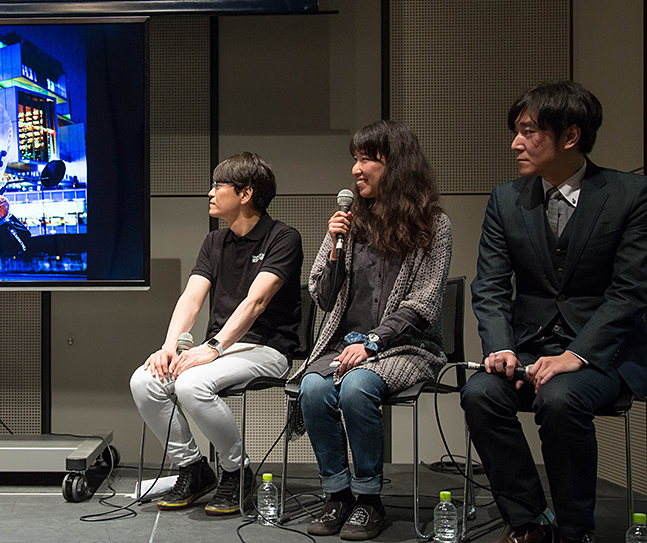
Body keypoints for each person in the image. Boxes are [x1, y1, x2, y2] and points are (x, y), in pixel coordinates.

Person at [461, 81, 647, 543]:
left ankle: (573, 529)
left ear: (570, 136)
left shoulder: (630, 194)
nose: (515, 143)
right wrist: (501, 345)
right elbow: (489, 284)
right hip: (529, 346)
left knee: (560, 399)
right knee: (480, 393)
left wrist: (576, 355)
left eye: (528, 131)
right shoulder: (506, 200)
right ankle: (528, 520)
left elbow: (630, 291)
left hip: (601, 354)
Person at [290, 120, 452, 540]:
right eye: (354, 159)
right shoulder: (348, 221)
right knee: (311, 386)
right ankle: (337, 495)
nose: (355, 169)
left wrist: (373, 342)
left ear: (395, 164)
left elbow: (425, 304)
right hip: (344, 346)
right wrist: (333, 247)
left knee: (356, 387)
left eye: (367, 159)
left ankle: (368, 500)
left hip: (405, 346)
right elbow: (322, 298)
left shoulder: (433, 225)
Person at [130, 152, 303, 515]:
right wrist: (168, 348)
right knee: (145, 381)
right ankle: (193, 469)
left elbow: (256, 302)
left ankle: (237, 471)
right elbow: (191, 298)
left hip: (267, 348)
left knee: (191, 385)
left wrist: (213, 347)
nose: (209, 193)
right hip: (221, 349)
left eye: (217, 185)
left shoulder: (283, 237)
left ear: (245, 194)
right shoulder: (214, 242)